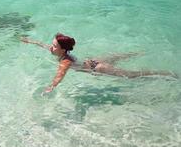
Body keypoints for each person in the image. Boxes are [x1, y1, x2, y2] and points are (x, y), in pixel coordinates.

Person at [21, 33, 177, 94]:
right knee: (122, 56)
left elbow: (60, 75)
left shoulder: (66, 61)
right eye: (52, 44)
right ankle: (144, 51)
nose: (51, 46)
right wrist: (30, 41)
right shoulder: (60, 52)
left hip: (99, 67)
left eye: (54, 45)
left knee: (132, 75)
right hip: (94, 60)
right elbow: (43, 45)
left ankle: (163, 73)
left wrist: (51, 87)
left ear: (62, 49)